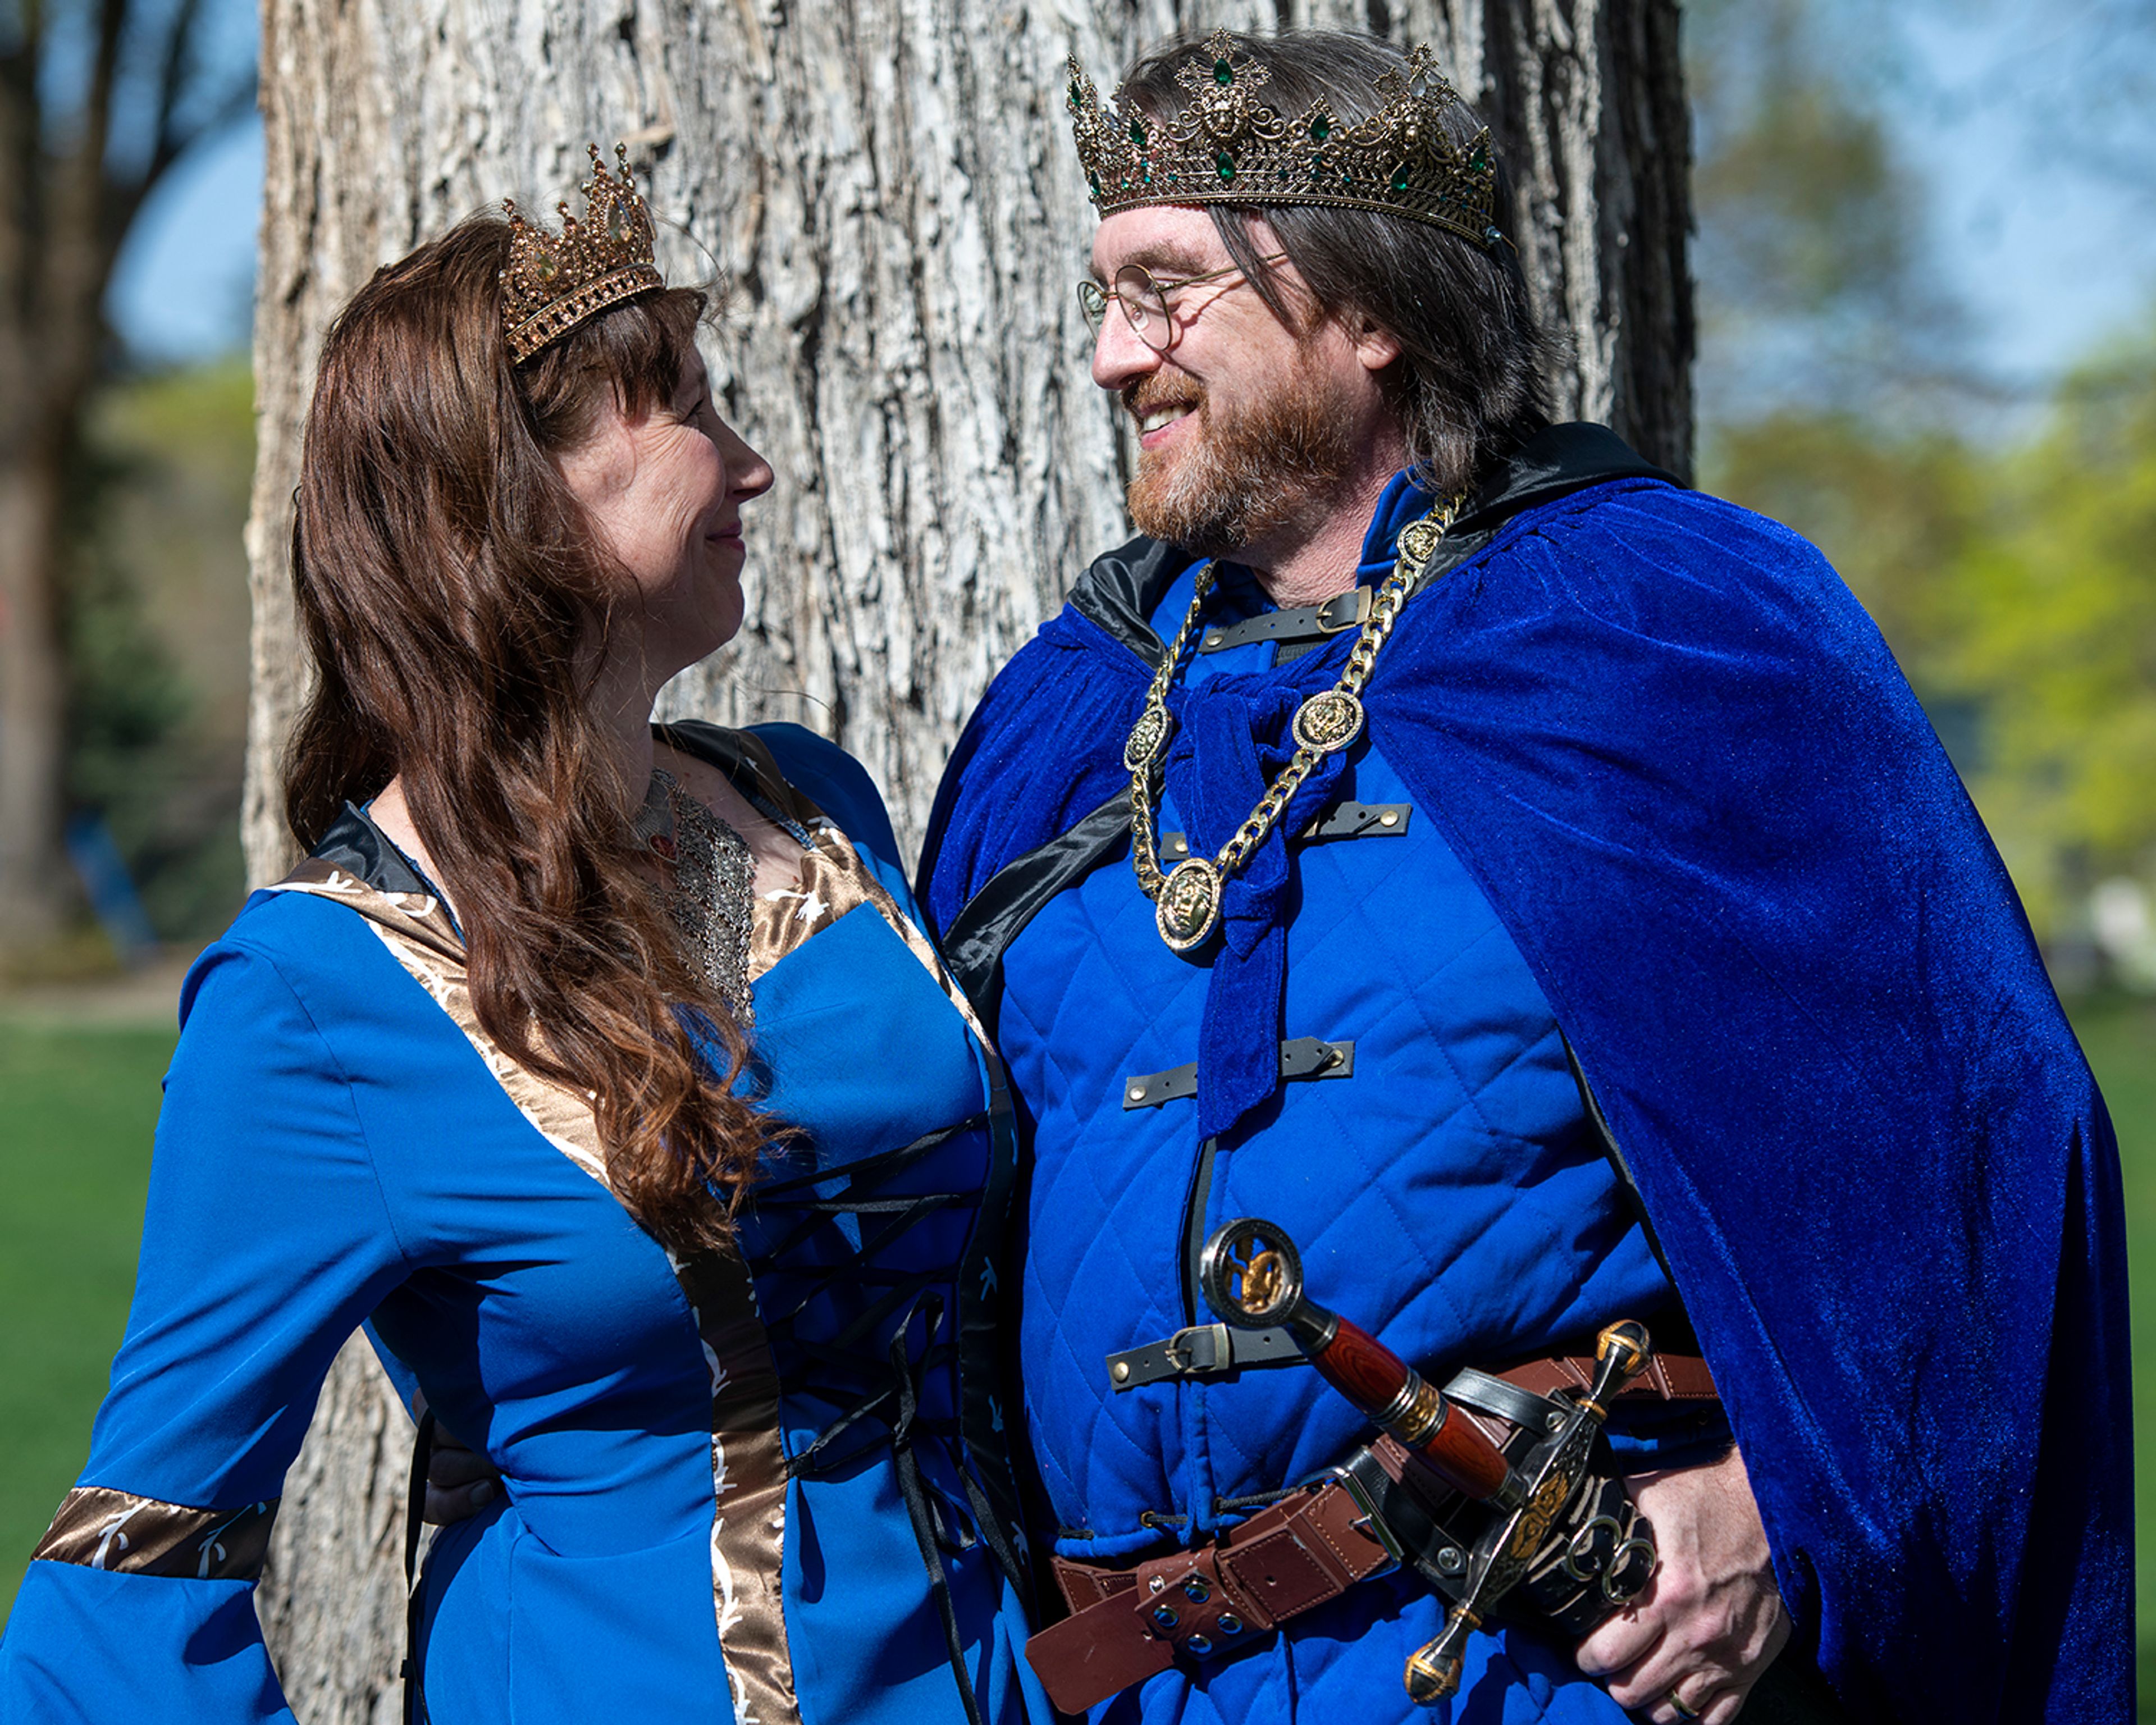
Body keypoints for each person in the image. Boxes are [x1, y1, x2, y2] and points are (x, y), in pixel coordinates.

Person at [918, 29, 2131, 1725]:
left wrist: (1785, 1509)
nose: (1118, 357)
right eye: (1107, 297)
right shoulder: (1069, 711)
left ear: (1362, 310)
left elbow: (1973, 1148)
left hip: (1540, 1672)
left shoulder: (1657, 627)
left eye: (1169, 290)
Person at [0, 148, 1047, 1725]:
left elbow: (734, 1077)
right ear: (516, 497)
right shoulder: (316, 998)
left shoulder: (801, 806)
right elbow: (132, 1567)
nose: (748, 464)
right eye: (688, 407)